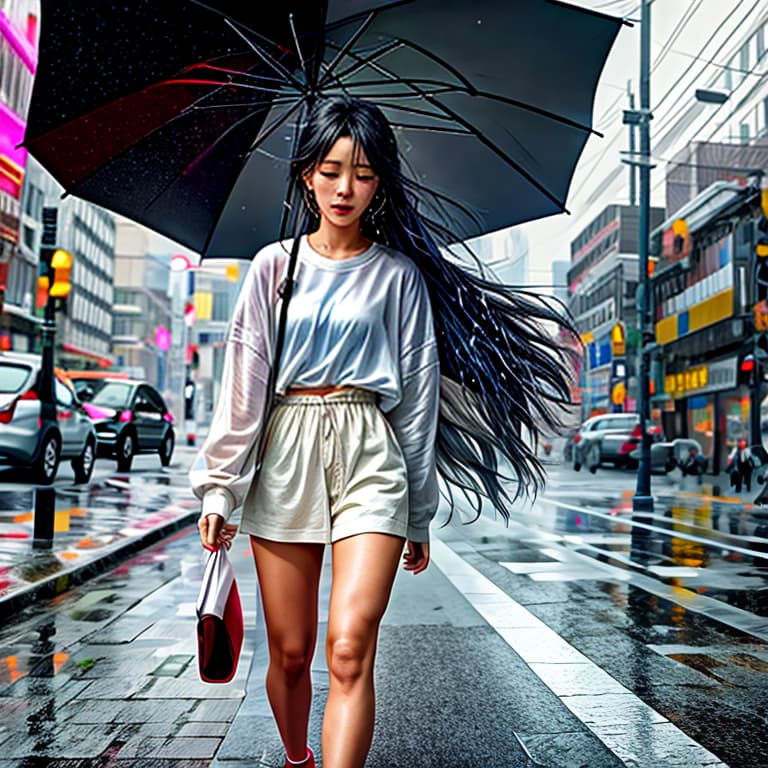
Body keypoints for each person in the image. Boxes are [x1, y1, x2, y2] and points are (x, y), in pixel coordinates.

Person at [190, 96, 575, 768]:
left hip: (372, 453)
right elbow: (242, 392)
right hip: (286, 451)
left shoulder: (398, 277)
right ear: (306, 174)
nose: (346, 188)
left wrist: (419, 513)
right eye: (332, 169)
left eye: (363, 173)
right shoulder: (270, 271)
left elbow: (419, 403)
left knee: (347, 648)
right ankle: (297, 757)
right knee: (290, 651)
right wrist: (221, 489)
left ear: (380, 183)